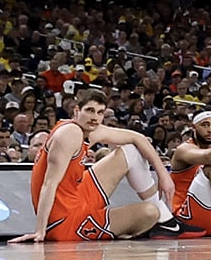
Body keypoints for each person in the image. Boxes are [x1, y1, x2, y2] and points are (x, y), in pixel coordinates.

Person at [13, 94, 167, 243]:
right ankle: (161, 220)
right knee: (150, 212)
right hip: (65, 222)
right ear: (76, 111)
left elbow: (137, 138)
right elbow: (49, 184)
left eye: (100, 112)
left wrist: (164, 176)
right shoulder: (70, 134)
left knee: (131, 150)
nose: (94, 117)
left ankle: (168, 221)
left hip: (75, 196)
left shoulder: (84, 129)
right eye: (90, 110)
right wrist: (40, 231)